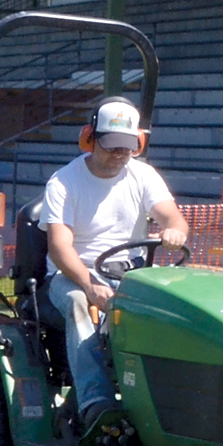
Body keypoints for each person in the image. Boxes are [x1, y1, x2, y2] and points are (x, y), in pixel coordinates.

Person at [40, 96, 189, 427]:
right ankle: (96, 404)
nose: (119, 154)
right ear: (89, 138)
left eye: (127, 147)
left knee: (173, 307)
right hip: (71, 275)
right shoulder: (64, 182)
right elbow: (59, 247)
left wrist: (175, 231)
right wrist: (90, 285)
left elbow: (173, 218)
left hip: (127, 273)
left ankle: (170, 402)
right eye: (111, 146)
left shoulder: (144, 176)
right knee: (80, 302)